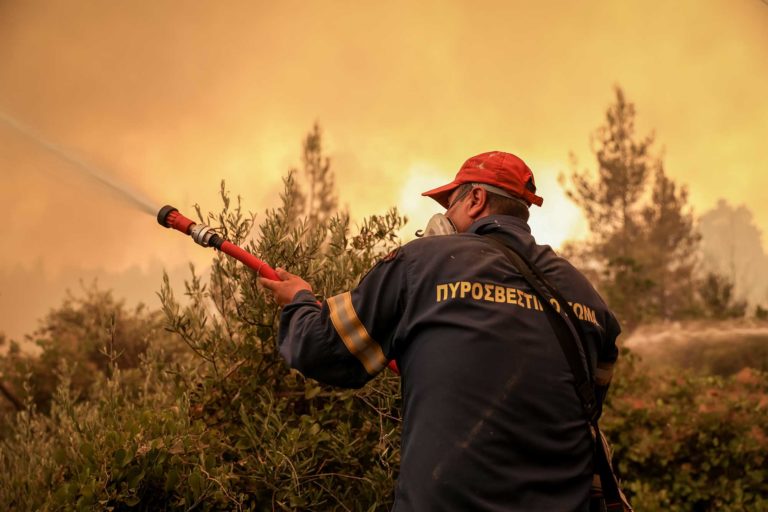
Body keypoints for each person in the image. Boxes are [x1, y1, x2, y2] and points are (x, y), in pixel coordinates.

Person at [260, 151, 621, 512]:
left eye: (451, 204)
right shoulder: (585, 294)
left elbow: (322, 350)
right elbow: (584, 401)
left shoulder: (421, 263)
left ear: (476, 200)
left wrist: (300, 301)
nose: (445, 216)